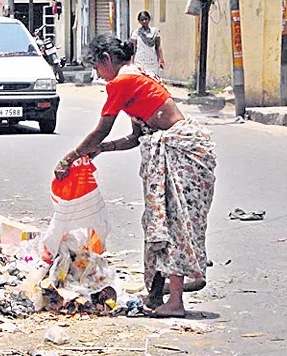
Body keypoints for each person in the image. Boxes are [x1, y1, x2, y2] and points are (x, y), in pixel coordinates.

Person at [54, 34, 216, 318]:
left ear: (106, 60)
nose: (98, 75)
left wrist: (69, 158)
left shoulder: (124, 81)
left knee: (172, 223)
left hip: (182, 152)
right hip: (175, 149)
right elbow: (135, 136)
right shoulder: (136, 76)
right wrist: (101, 150)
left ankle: (175, 300)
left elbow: (101, 129)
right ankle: (159, 293)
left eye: (96, 67)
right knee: (159, 223)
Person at [131, 11, 165, 76]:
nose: (144, 21)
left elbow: (158, 47)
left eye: (145, 19)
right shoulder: (136, 33)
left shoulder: (155, 32)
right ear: (139, 21)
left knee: (153, 80)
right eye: (142, 20)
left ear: (149, 19)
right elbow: (133, 48)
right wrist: (130, 62)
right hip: (140, 61)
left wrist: (161, 60)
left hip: (152, 61)